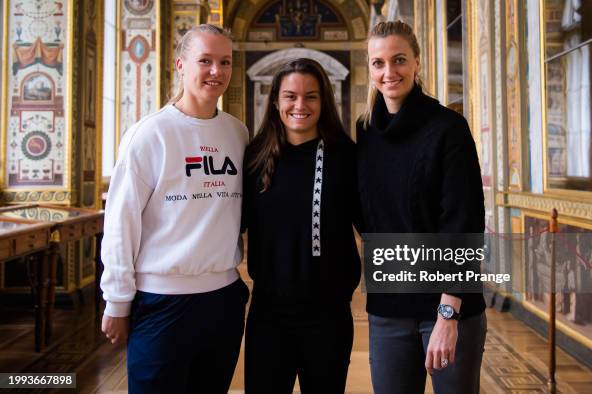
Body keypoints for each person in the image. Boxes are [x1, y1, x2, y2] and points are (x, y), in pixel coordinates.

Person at [100, 24, 249, 393]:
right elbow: (121, 221)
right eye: (206, 61)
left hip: (223, 299)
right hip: (161, 301)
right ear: (181, 65)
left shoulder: (238, 133)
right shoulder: (150, 134)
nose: (217, 71)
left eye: (225, 62)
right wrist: (117, 300)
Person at [357, 21, 487, 394]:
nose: (388, 72)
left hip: (446, 308)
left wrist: (448, 314)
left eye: (398, 60)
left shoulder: (448, 128)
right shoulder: (365, 132)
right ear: (370, 69)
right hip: (388, 310)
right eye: (378, 63)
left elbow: (463, 224)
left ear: (416, 62)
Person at [242, 58, 361, 393]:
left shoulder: (346, 157)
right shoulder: (253, 158)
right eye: (290, 96)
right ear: (276, 101)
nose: (300, 105)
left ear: (324, 101)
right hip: (269, 314)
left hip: (328, 317)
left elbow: (377, 222)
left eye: (311, 96)